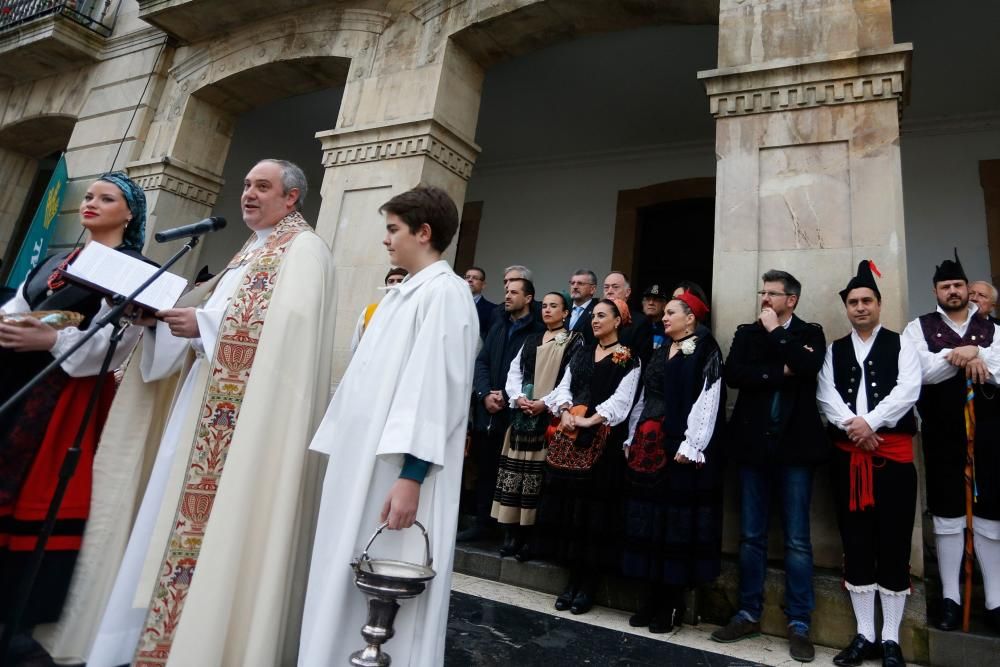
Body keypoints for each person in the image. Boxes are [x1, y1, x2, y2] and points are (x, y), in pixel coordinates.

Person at [82, 159, 335, 667]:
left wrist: (202, 323)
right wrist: (163, 320)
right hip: (203, 399)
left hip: (246, 424)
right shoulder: (249, 252)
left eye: (262, 187)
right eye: (245, 184)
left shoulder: (304, 249)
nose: (248, 194)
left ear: (291, 199)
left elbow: (289, 331)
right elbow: (213, 317)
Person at [298, 185, 478, 666]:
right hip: (362, 462)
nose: (385, 240)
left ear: (424, 233)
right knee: (340, 576)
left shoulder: (446, 293)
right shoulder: (402, 295)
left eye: (393, 229)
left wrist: (411, 476)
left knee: (381, 581)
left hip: (393, 473)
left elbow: (435, 390)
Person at [0, 173, 150, 657]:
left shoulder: (133, 269)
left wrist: (50, 339)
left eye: (107, 198)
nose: (91, 203)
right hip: (16, 384)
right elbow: (20, 308)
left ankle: (21, 617)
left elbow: (118, 344)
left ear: (129, 214)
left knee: (40, 494)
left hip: (68, 397)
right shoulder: (52, 262)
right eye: (88, 196)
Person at [711, 269, 827, 663]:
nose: (765, 298)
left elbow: (808, 368)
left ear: (790, 300)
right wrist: (779, 372)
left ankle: (799, 623)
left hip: (795, 450)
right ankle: (747, 612)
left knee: (797, 540)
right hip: (752, 449)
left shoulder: (811, 333)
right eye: (763, 291)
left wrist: (778, 334)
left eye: (772, 293)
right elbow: (735, 375)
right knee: (751, 536)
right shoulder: (747, 332)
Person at [817, 261, 920, 667]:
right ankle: (865, 636)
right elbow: (825, 395)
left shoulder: (902, 344)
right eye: (854, 302)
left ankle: (891, 639)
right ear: (846, 307)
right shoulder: (835, 350)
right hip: (848, 460)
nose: (860, 307)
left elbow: (908, 388)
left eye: (867, 301)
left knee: (893, 541)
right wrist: (854, 427)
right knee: (855, 541)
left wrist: (870, 423)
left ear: (879, 303)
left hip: (892, 458)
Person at [902, 250, 1000, 634]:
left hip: (990, 434)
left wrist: (979, 352)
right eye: (947, 286)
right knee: (946, 516)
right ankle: (950, 599)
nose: (954, 291)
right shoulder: (919, 327)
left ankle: (994, 601)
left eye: (959, 285)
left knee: (991, 515)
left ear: (967, 288)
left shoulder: (992, 328)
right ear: (936, 291)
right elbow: (918, 372)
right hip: (942, 433)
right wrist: (958, 355)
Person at [621, 290, 725, 634]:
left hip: (679, 448)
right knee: (650, 524)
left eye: (670, 312)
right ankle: (650, 599)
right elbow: (645, 394)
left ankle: (671, 604)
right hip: (650, 448)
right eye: (663, 313)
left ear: (690, 318)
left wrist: (692, 443)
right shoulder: (660, 349)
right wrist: (632, 434)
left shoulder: (705, 349)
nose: (663, 318)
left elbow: (709, 396)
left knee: (673, 528)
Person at [535, 298, 641, 616]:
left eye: (602, 316)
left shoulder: (628, 359)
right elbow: (565, 385)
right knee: (570, 511)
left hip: (602, 443)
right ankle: (571, 580)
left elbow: (623, 401)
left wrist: (590, 420)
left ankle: (588, 585)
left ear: (617, 321)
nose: (595, 321)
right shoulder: (582, 352)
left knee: (593, 514)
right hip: (572, 436)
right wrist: (566, 411)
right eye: (593, 316)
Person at [492, 291, 584, 561]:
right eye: (544, 306)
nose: (547, 310)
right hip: (522, 417)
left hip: (548, 419)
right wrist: (519, 397)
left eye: (554, 306)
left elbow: (569, 379)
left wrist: (544, 403)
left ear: (566, 312)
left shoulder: (574, 341)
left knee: (537, 481)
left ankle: (532, 539)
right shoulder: (531, 339)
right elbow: (515, 371)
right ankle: (511, 533)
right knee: (514, 477)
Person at [460, 277, 545, 542]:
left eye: (514, 292)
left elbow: (533, 372)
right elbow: (482, 362)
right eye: (506, 291)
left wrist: (507, 395)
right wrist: (485, 394)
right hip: (490, 410)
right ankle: (482, 524)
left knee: (513, 472)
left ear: (529, 298)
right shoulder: (498, 326)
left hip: (515, 411)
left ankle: (510, 530)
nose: (507, 296)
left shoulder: (537, 332)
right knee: (486, 469)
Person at [350, 266, 407, 353]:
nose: (395, 284)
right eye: (391, 281)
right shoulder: (370, 310)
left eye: (400, 281)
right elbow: (356, 345)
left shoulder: (412, 309)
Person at [603, 271, 652, 368]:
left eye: (615, 287)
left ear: (628, 292)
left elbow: (641, 361)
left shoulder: (640, 322)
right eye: (606, 287)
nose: (610, 291)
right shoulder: (594, 318)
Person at [465, 266, 496, 339]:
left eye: (475, 278)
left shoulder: (493, 310)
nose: (470, 280)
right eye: (467, 277)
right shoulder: (451, 305)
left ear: (483, 285)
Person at [568, 269, 598, 344]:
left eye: (580, 283)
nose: (575, 287)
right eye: (572, 283)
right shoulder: (563, 308)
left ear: (592, 289)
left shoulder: (597, 311)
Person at [636, 284, 669, 350]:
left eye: (656, 299)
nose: (651, 303)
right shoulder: (633, 326)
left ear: (664, 305)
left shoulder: (668, 328)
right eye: (648, 299)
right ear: (642, 303)